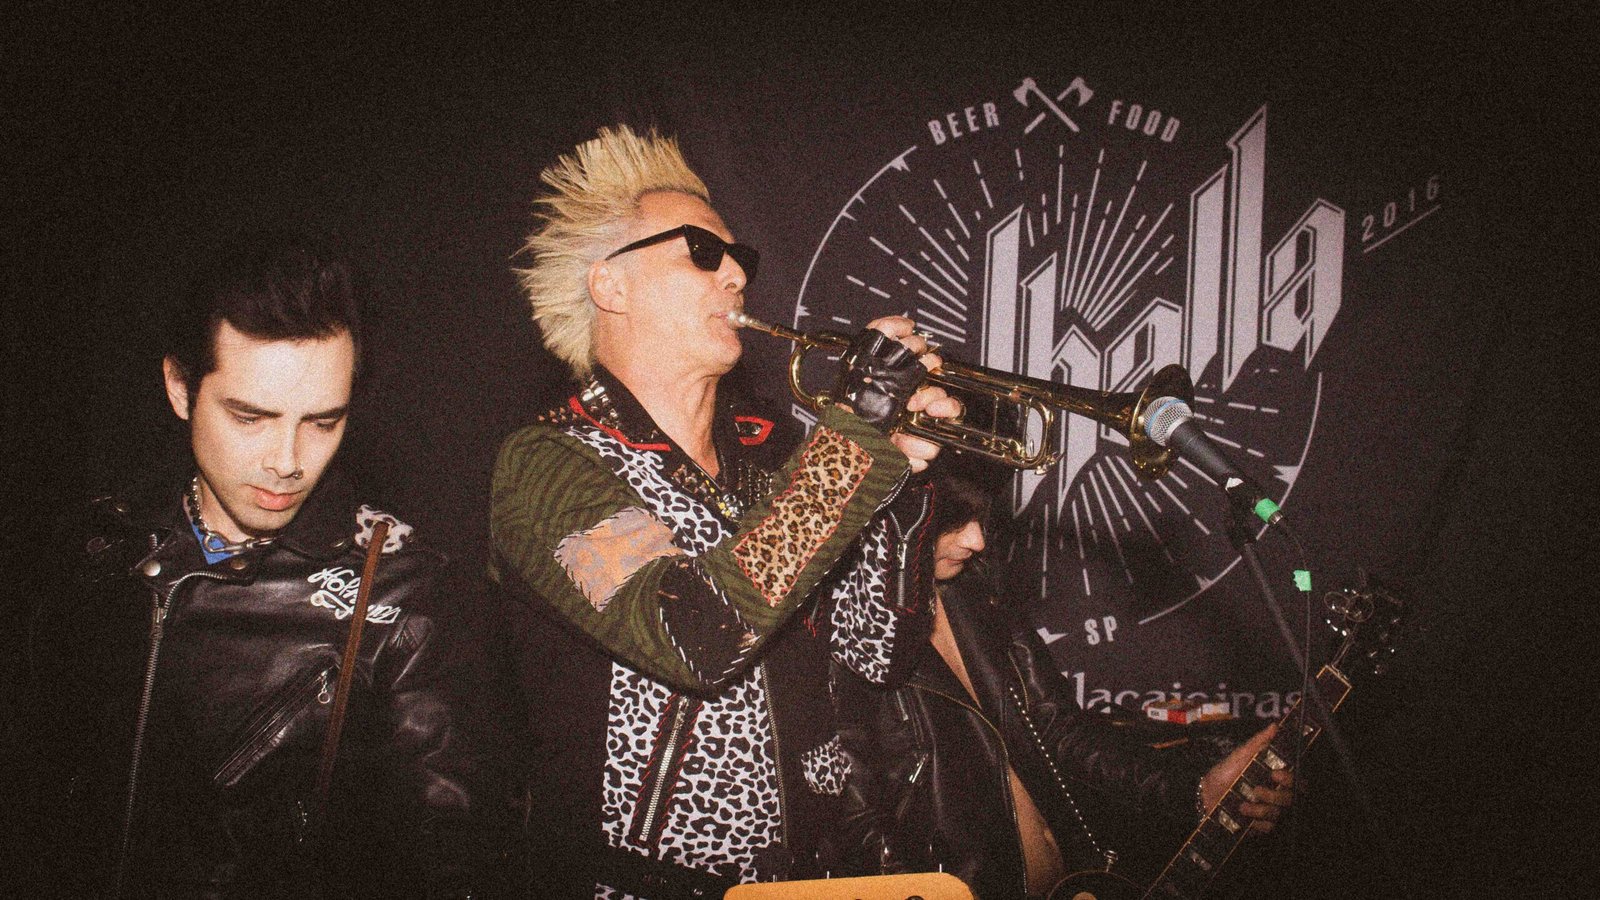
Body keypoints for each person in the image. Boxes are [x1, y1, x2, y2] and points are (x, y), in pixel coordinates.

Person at [489, 124, 961, 897]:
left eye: (740, 257)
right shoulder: (549, 465)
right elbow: (696, 635)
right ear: (611, 285)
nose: (736, 274)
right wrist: (854, 437)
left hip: (816, 878)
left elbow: (879, 650)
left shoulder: (775, 453)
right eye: (702, 252)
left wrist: (903, 473)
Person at [10, 235, 497, 899]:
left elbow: (449, 864)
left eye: (322, 422)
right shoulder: (99, 545)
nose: (287, 461)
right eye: (250, 417)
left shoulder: (403, 594)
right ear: (180, 388)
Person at [833, 460, 1295, 899]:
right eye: (950, 522)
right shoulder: (838, 635)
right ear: (889, 516)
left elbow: (1059, 730)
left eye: (979, 518)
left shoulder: (974, 593)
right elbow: (857, 829)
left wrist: (1195, 789)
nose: (977, 540)